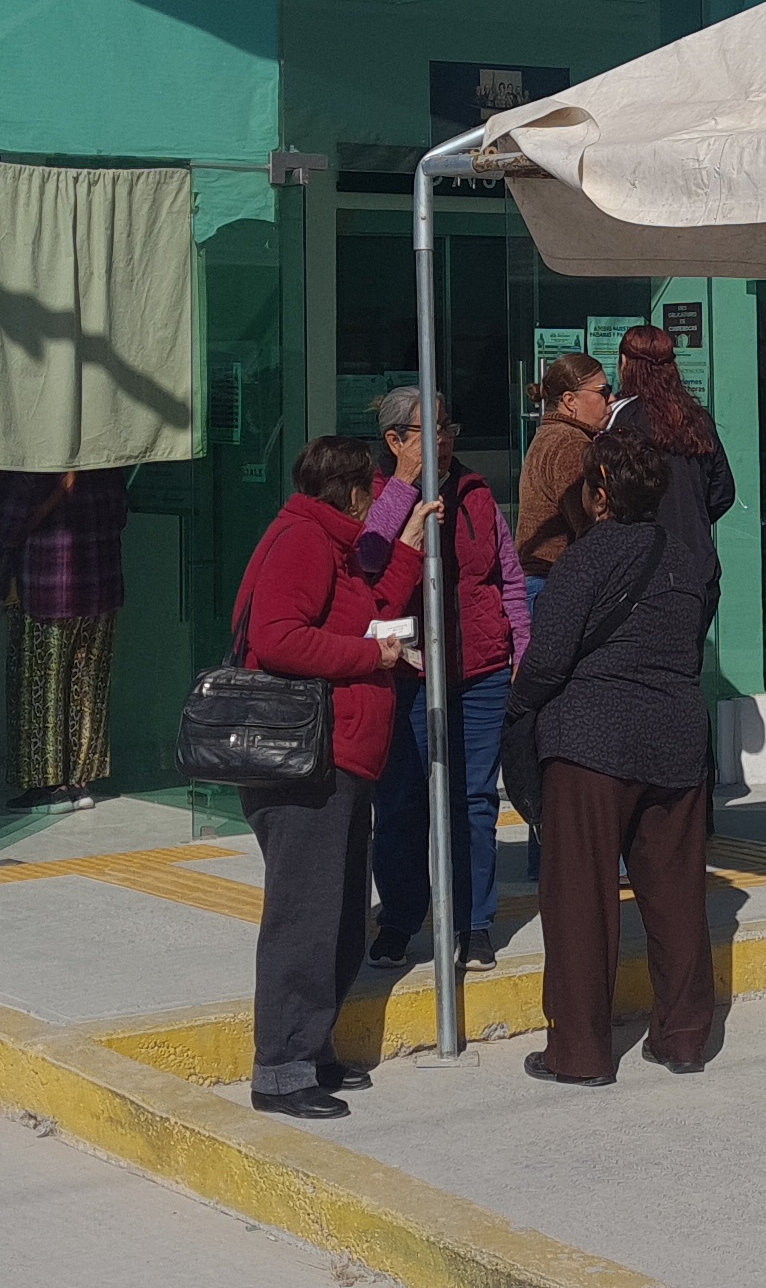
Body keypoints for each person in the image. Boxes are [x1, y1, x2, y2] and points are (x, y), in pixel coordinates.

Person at [231, 433, 426, 1118]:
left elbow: (367, 620)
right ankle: (281, 1071)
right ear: (352, 492)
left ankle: (311, 1050)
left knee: (338, 916)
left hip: (340, 758)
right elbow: (278, 638)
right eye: (373, 487)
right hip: (306, 763)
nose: (377, 499)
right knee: (305, 917)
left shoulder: (333, 545)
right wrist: (371, 661)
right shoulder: (304, 543)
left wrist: (407, 553)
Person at [515, 431, 717, 1083]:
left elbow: (547, 659)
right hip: (677, 740)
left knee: (581, 898)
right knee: (678, 897)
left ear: (600, 494)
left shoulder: (587, 558)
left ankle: (579, 1052)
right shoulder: (687, 560)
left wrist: (520, 707)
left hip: (592, 744)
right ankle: (683, 1039)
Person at [363, 387, 520, 971]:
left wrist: (520, 646)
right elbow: (369, 558)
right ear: (395, 441)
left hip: (479, 669)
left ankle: (473, 922)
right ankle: (401, 917)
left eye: (448, 427)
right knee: (402, 803)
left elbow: (506, 575)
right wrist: (406, 485)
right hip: (407, 671)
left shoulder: (475, 491)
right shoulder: (376, 494)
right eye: (430, 430)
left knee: (474, 801)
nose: (444, 440)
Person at [0, 466, 129, 808]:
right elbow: (120, 514)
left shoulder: (37, 461)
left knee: (40, 689)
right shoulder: (106, 462)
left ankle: (47, 786)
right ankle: (80, 782)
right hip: (100, 588)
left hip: (46, 588)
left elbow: (7, 527)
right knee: (87, 688)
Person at [610, 324, 736, 541]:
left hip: (643, 550)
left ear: (624, 362)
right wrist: (692, 520)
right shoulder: (696, 418)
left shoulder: (621, 417)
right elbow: (722, 493)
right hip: (694, 550)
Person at [515, 352, 612, 580]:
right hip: (551, 577)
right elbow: (589, 523)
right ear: (570, 401)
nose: (612, 399)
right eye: (603, 391)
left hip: (539, 577)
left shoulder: (551, 434)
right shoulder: (570, 443)